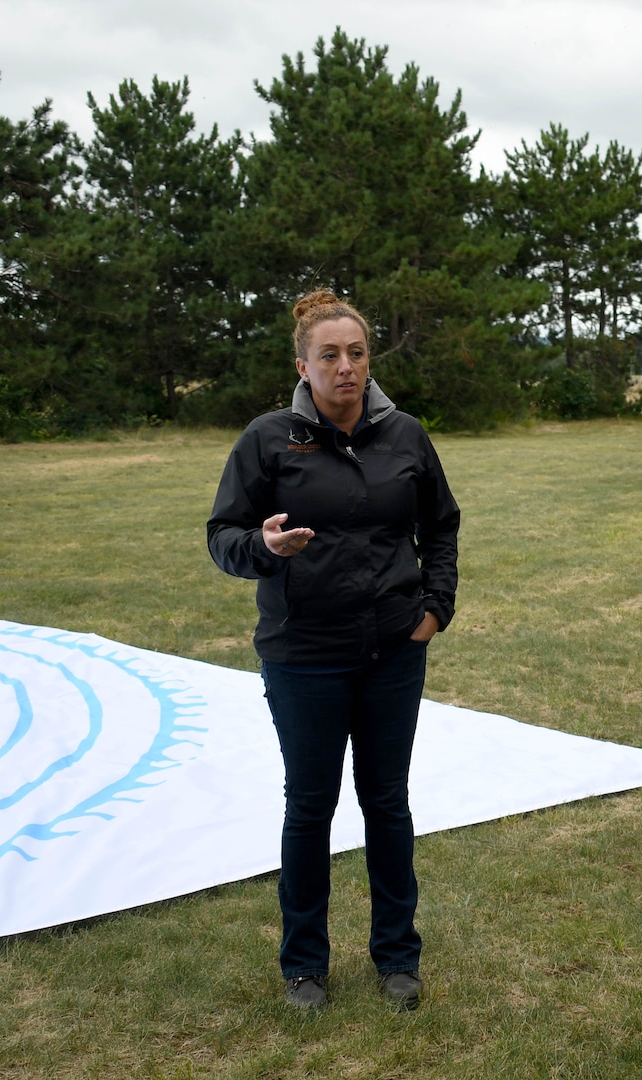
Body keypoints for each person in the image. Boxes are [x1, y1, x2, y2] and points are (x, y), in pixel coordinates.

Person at [208, 290, 460, 1011]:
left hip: (392, 652)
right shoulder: (268, 440)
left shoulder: (406, 435)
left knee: (387, 803)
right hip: (302, 655)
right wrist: (263, 545)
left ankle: (397, 959)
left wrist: (434, 609)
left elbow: (441, 526)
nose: (345, 367)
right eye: (330, 355)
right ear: (303, 365)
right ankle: (304, 968)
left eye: (356, 354)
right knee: (310, 807)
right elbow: (221, 537)